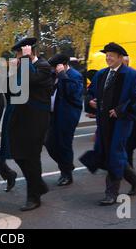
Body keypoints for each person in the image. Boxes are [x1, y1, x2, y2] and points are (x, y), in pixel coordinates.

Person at [80, 42, 136, 206]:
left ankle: (111, 193)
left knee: (114, 154)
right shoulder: (101, 74)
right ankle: (135, 178)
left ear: (120, 58)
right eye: (107, 55)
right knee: (107, 152)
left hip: (121, 122)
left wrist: (120, 110)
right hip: (103, 121)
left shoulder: (130, 74)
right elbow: (91, 93)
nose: (108, 58)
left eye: (111, 56)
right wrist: (92, 102)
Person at [0, 37, 54, 211]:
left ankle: (34, 196)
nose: (16, 57)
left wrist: (25, 59)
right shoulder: (21, 68)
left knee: (31, 157)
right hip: (20, 118)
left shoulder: (44, 67)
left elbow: (28, 81)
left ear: (29, 53)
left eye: (19, 54)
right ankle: (39, 185)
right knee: (18, 154)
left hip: (36, 120)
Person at [45, 54, 83, 186]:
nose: (54, 70)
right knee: (49, 143)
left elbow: (72, 93)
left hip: (67, 115)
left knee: (64, 145)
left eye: (56, 67)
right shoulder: (54, 75)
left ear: (64, 65)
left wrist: (62, 75)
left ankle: (66, 174)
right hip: (52, 115)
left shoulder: (74, 75)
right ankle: (67, 165)